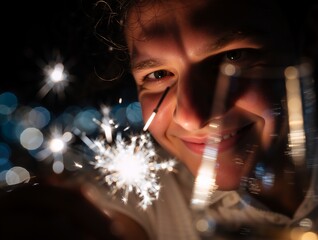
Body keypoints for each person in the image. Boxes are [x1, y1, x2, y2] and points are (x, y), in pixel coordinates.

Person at [82, 0, 318, 239]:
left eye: (232, 56)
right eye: (159, 74)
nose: (191, 118)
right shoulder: (133, 202)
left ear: (308, 43)